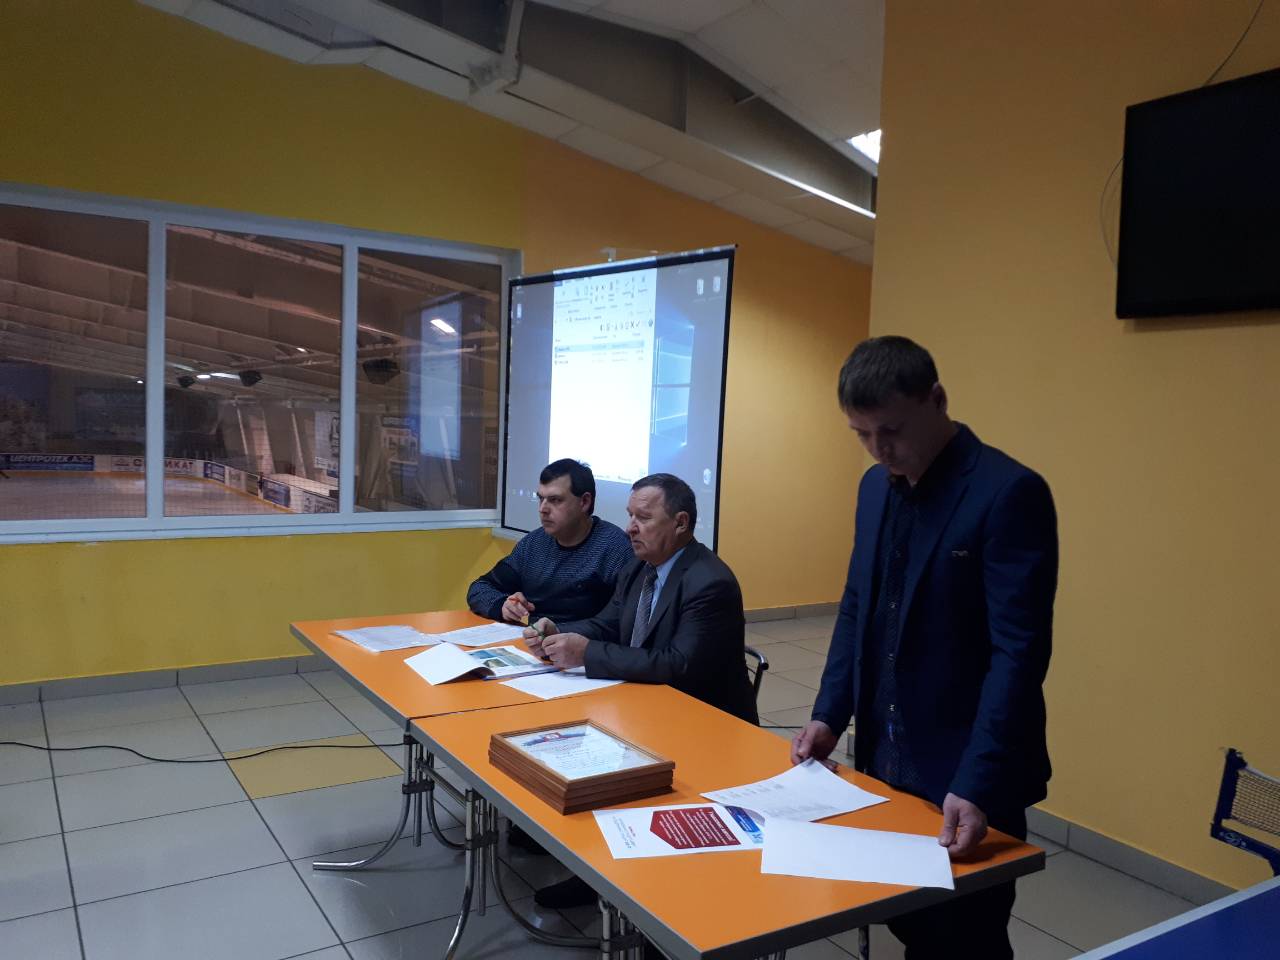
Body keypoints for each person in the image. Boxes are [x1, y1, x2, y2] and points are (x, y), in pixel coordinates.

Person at [791, 336, 1058, 960]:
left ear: (937, 400)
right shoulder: (874, 488)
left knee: (965, 937)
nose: (879, 449)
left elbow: (1018, 655)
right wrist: (830, 714)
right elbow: (857, 607)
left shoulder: (1007, 492)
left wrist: (978, 781)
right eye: (861, 434)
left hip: (966, 769)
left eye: (891, 430)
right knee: (910, 922)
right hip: (886, 759)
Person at [525, 472, 758, 908]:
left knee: (598, 754)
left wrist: (587, 653)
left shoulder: (710, 581)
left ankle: (634, 885)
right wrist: (561, 633)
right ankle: (595, 869)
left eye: (643, 518)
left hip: (705, 726)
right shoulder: (638, 567)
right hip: (646, 707)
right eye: (629, 515)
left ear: (681, 523)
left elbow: (677, 665)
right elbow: (609, 623)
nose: (630, 528)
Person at [467, 459, 633, 626]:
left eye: (555, 500)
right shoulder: (533, 544)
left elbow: (623, 621)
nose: (543, 509)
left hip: (585, 641)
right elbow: (479, 588)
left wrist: (562, 633)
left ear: (584, 502)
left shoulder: (616, 548)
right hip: (534, 639)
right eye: (541, 499)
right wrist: (503, 606)